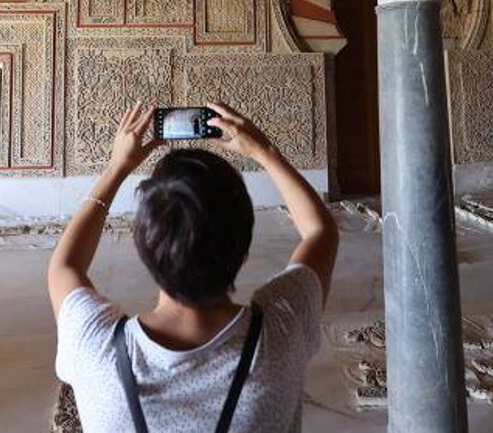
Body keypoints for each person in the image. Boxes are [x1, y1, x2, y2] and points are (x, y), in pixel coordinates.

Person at [48, 100, 339, 432]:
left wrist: (117, 167)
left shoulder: (96, 349)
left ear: (144, 247)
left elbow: (64, 266)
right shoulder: (280, 334)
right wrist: (265, 151)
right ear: (244, 242)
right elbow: (320, 231)